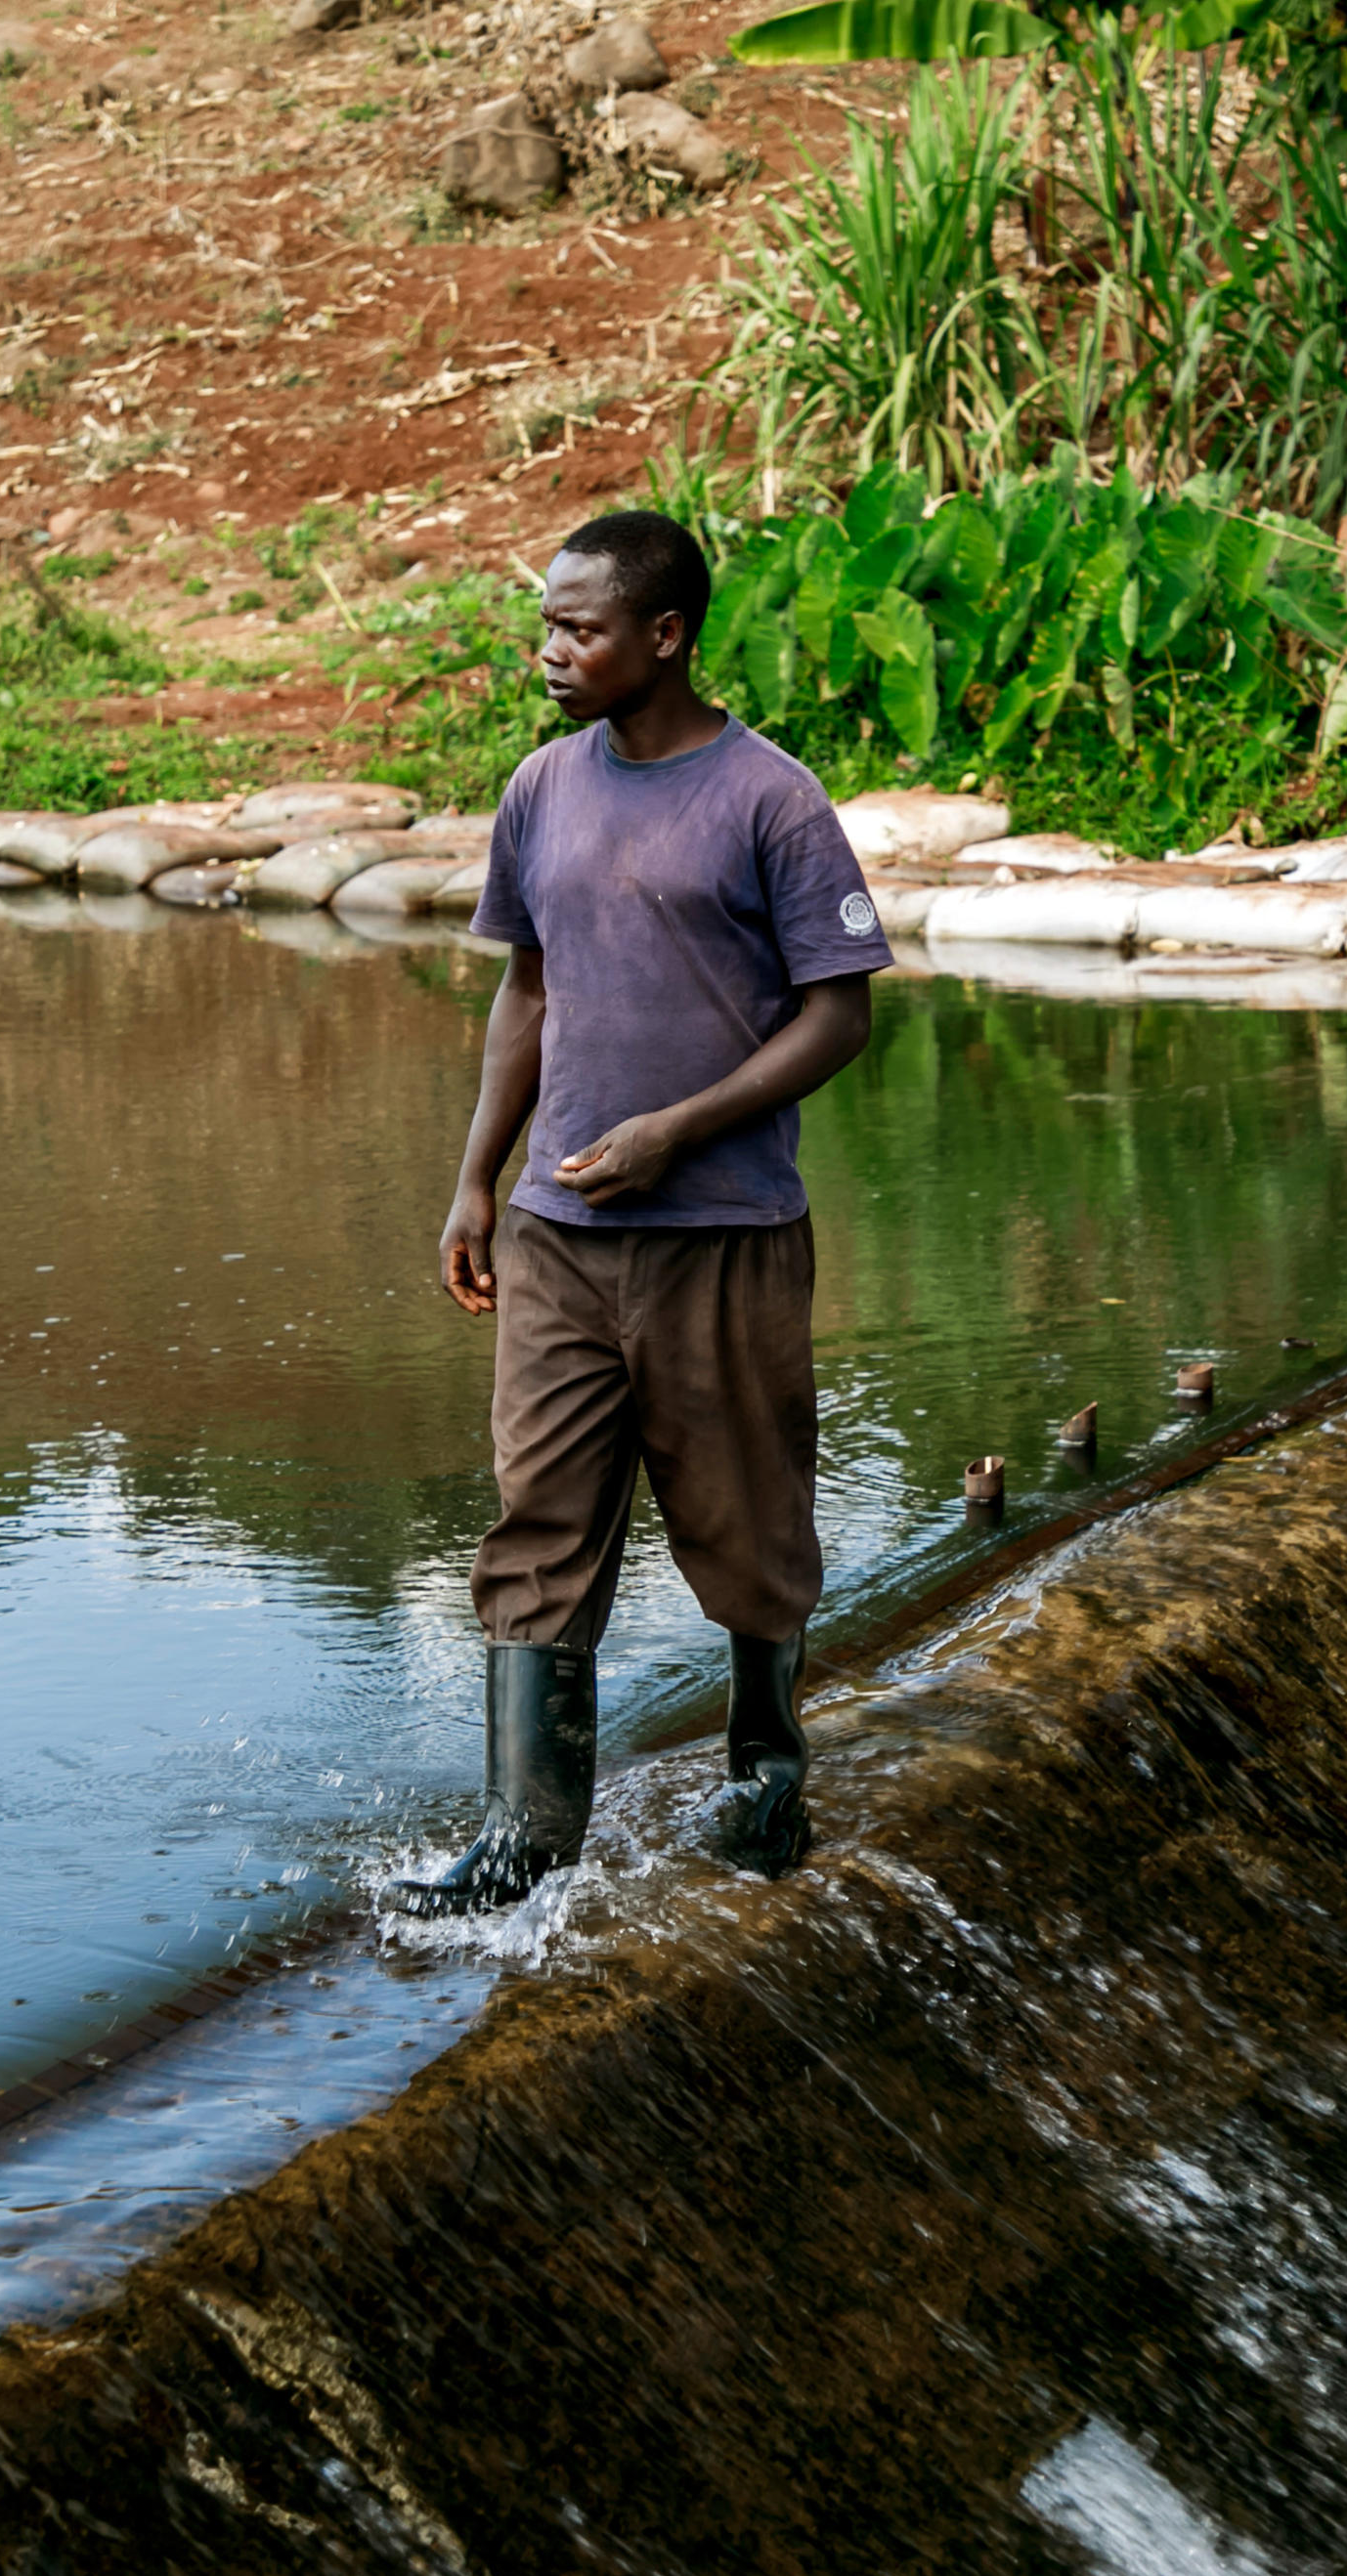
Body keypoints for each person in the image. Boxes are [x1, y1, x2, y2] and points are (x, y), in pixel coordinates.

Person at [392, 508, 891, 1915]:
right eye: (545, 625)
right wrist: (477, 1178)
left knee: (743, 1518)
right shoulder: (543, 787)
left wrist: (680, 1128)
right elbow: (527, 993)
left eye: (580, 629)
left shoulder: (769, 799)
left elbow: (837, 1016)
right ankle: (526, 1839)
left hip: (721, 1235)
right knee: (537, 1519)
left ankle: (765, 1774)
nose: (551, 652)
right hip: (559, 1237)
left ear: (664, 636)